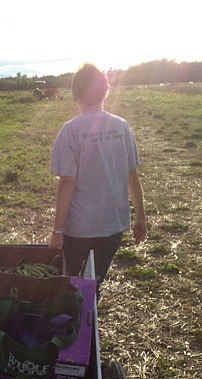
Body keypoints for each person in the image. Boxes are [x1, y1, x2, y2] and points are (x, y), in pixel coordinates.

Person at [48, 63, 147, 289]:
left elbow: (67, 183)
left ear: (76, 95)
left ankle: (72, 320)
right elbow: (132, 175)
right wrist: (140, 216)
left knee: (68, 283)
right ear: (106, 91)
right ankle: (88, 319)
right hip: (113, 227)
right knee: (95, 282)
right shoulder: (122, 127)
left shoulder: (71, 130)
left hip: (78, 230)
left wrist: (58, 230)